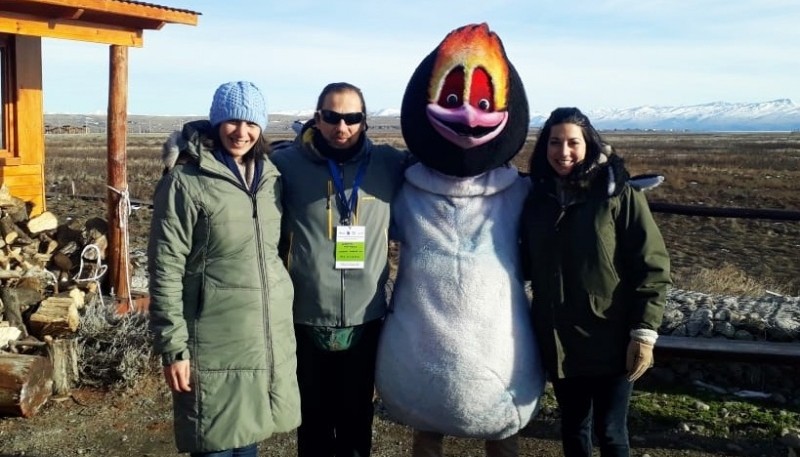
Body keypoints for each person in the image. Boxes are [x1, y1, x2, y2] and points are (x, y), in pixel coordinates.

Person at [148, 81, 300, 457]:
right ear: (216, 122)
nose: (242, 132)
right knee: (215, 445)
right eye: (232, 121)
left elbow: (274, 255)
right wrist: (174, 349)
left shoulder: (271, 180)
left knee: (248, 440)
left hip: (261, 340)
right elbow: (165, 267)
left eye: (251, 123)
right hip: (211, 344)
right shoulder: (185, 181)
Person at [520, 107, 672, 457]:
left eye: (573, 142)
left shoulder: (617, 194)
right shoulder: (537, 199)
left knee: (611, 432)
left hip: (611, 335)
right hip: (559, 338)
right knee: (573, 429)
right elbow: (524, 263)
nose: (564, 152)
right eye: (555, 142)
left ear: (588, 143)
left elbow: (652, 265)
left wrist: (644, 333)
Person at [269, 82, 408, 457]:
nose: (341, 127)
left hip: (366, 316)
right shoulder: (285, 165)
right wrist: (192, 139)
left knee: (356, 420)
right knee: (312, 421)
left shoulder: (390, 164)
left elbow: (444, 162)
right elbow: (237, 163)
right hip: (305, 315)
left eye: (352, 118)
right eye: (331, 117)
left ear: (365, 122)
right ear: (317, 117)